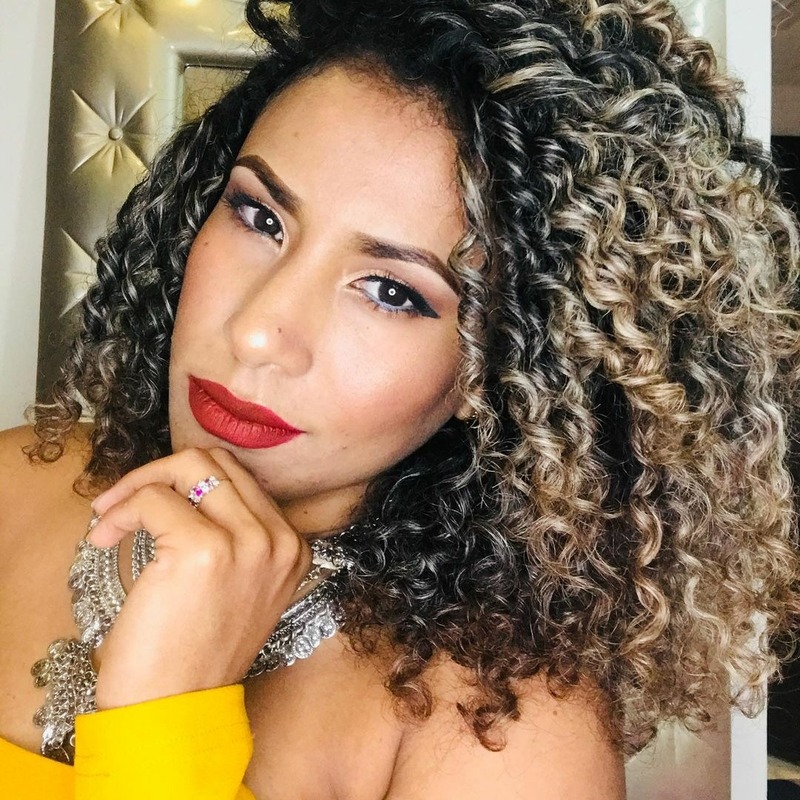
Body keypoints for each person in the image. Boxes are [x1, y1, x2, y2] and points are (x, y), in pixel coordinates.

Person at [2, 0, 799, 797]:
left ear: (504, 368)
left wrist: (164, 720)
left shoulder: (505, 738)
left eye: (391, 291)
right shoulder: (17, 480)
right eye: (259, 216)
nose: (258, 332)